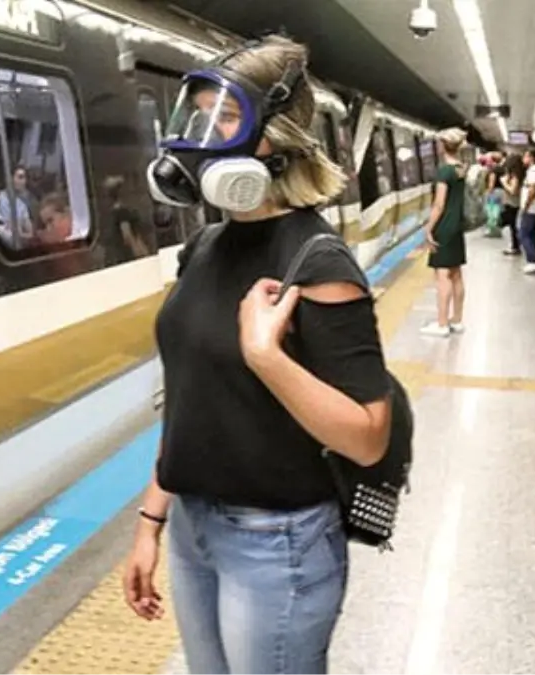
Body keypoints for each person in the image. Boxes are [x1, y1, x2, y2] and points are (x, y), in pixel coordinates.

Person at [125, 36, 395, 675]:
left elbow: (368, 438)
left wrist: (266, 355)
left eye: (224, 119)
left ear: (275, 138)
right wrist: (150, 519)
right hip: (195, 528)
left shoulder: (319, 262)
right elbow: (190, 399)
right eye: (196, 115)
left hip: (279, 543)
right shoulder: (205, 247)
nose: (200, 136)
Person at [422, 127, 470, 337]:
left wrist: (429, 228)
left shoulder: (444, 171)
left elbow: (439, 204)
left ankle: (441, 323)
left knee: (442, 276)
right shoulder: (461, 169)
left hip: (444, 226)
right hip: (457, 226)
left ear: (443, 146)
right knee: (456, 274)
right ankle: (456, 320)